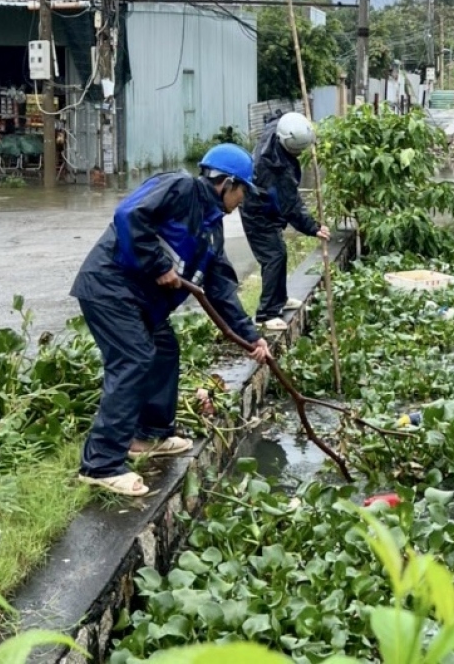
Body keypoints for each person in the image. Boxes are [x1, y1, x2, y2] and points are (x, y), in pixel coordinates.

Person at [70, 144, 271, 496]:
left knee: (164, 350)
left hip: (142, 302)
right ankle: (100, 464)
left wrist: (252, 337)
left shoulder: (213, 229)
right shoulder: (178, 188)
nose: (243, 200)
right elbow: (129, 215)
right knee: (134, 359)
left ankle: (148, 435)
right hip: (109, 287)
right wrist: (159, 265)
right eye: (242, 191)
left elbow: (220, 288)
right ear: (225, 183)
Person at [240, 110, 330, 332]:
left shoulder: (278, 128)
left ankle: (279, 299)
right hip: (257, 212)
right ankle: (266, 314)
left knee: (279, 252)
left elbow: (277, 119)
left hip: (268, 208)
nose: (299, 154)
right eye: (296, 150)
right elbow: (291, 206)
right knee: (274, 256)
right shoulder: (273, 168)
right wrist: (314, 228)